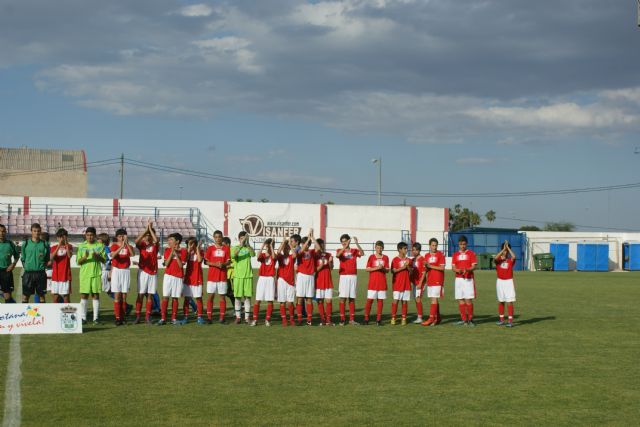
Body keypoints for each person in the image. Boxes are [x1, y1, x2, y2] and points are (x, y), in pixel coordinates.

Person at [77, 227, 105, 324]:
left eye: (91, 235)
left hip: (96, 273)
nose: (89, 237)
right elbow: (78, 262)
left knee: (95, 295)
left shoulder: (100, 245)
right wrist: (85, 257)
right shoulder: (81, 246)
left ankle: (95, 318)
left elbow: (104, 260)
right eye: (88, 235)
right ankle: (83, 318)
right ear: (85, 235)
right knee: (84, 295)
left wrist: (97, 256)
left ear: (95, 235)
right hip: (84, 274)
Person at [158, 233, 187, 326]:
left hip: (178, 277)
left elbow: (180, 265)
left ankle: (173, 318)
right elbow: (166, 263)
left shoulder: (183, 251)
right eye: (168, 240)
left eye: (171, 239)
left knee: (175, 298)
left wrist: (176, 254)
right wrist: (172, 252)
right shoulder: (167, 250)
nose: (169, 241)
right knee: (165, 296)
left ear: (177, 241)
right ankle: (163, 318)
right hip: (168, 276)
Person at [134, 221, 159, 324]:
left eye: (149, 235)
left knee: (149, 295)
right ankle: (138, 316)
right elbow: (136, 241)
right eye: (146, 235)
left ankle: (148, 317)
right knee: (140, 294)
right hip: (143, 271)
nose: (147, 237)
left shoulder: (155, 245)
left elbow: (156, 240)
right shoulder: (142, 245)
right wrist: (146, 230)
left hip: (153, 272)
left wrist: (150, 229)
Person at [336, 234, 364, 326]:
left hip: (353, 276)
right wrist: (344, 247)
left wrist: (357, 243)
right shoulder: (340, 250)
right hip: (343, 277)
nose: (344, 243)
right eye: (342, 241)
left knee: (351, 298)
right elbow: (338, 255)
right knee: (342, 298)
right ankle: (342, 319)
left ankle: (352, 319)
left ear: (349, 241)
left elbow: (362, 253)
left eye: (345, 241)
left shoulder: (354, 251)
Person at [204, 230, 231, 324]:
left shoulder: (226, 248)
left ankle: (222, 318)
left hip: (222, 276)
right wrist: (215, 264)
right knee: (210, 297)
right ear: (214, 238)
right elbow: (206, 261)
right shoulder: (210, 248)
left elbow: (229, 261)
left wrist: (223, 264)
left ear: (222, 237)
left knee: (222, 297)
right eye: (216, 237)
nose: (218, 239)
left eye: (219, 237)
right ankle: (209, 317)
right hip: (212, 277)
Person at [110, 229, 135, 325]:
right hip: (117, 271)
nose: (122, 238)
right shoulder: (114, 246)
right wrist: (121, 247)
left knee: (124, 296)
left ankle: (123, 316)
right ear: (117, 237)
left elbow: (132, 254)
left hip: (126, 271)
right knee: (117, 295)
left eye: (123, 236)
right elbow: (113, 255)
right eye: (120, 236)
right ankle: (117, 317)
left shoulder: (129, 246)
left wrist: (127, 244)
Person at [20, 223, 50, 303]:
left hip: (41, 274)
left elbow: (47, 259)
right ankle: (25, 315)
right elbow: (23, 258)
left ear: (40, 232)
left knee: (42, 297)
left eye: (38, 231)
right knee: (25, 297)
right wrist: (28, 267)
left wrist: (41, 267)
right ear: (31, 232)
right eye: (35, 231)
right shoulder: (25, 244)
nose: (37, 233)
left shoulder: (45, 244)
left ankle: (42, 315)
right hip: (28, 274)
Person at [452, 235, 478, 326]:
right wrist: (457, 270)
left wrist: (467, 270)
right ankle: (464, 320)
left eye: (464, 244)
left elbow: (474, 266)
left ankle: (470, 320)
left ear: (466, 244)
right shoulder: (455, 254)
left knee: (468, 300)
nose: (462, 246)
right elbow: (453, 267)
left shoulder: (471, 253)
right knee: (460, 299)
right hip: (458, 280)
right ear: (458, 244)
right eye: (460, 244)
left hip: (468, 279)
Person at [231, 231, 255, 324]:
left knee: (247, 298)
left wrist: (247, 244)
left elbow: (253, 254)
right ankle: (238, 317)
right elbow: (234, 255)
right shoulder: (235, 248)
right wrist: (241, 244)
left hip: (248, 276)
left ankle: (247, 318)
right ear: (239, 238)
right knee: (237, 298)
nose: (243, 240)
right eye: (241, 238)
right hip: (237, 276)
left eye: (244, 238)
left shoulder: (249, 248)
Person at [421, 238, 446, 326]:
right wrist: (426, 266)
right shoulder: (427, 255)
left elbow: (442, 268)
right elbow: (426, 269)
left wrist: (430, 266)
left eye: (436, 245)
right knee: (433, 299)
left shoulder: (440, 254)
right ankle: (438, 317)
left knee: (434, 299)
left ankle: (431, 318)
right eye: (433, 245)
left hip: (438, 279)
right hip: (430, 280)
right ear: (429, 246)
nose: (434, 247)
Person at [293, 230, 316, 326]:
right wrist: (307, 238)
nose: (303, 245)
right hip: (301, 276)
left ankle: (309, 319)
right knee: (300, 298)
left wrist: (312, 237)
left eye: (305, 243)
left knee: (309, 298)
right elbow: (301, 250)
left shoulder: (312, 252)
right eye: (302, 243)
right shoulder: (299, 251)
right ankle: (299, 319)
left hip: (310, 277)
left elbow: (318, 248)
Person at [251, 239, 276, 326]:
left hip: (270, 279)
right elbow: (257, 256)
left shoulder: (274, 255)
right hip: (262, 279)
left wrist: (272, 247)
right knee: (258, 300)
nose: (268, 246)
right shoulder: (262, 255)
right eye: (267, 245)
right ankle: (255, 320)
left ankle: (267, 320)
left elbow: (273, 257)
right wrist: (263, 245)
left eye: (270, 245)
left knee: (270, 300)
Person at [364, 241, 389, 326]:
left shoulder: (385, 258)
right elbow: (367, 269)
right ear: (375, 248)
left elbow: (387, 270)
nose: (379, 249)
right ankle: (366, 318)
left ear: (383, 248)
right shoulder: (371, 257)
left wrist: (382, 269)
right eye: (378, 247)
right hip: (373, 283)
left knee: (380, 301)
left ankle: (378, 320)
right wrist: (377, 268)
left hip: (382, 283)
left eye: (381, 248)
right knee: (369, 301)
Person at [494, 241, 517, 327]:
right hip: (500, 282)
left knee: (509, 301)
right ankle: (501, 320)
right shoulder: (498, 260)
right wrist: (503, 249)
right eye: (504, 250)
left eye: (506, 250)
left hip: (508, 282)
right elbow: (495, 258)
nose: (505, 252)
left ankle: (510, 321)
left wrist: (508, 248)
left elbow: (514, 256)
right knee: (501, 301)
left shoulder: (510, 260)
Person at [183, 237, 205, 324]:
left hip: (197, 278)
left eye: (191, 243)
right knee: (187, 299)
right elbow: (185, 259)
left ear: (195, 243)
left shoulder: (200, 251)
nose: (190, 245)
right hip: (188, 278)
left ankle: (199, 317)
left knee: (198, 298)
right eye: (188, 243)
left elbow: (199, 260)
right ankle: (185, 317)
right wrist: (189, 249)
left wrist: (197, 249)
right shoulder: (187, 252)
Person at [391, 241, 412, 326]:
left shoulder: (409, 260)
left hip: (406, 283)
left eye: (406, 248)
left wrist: (407, 267)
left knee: (404, 301)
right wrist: (403, 267)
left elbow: (411, 272)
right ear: (399, 250)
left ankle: (404, 318)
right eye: (404, 248)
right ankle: (393, 318)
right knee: (395, 301)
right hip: (397, 283)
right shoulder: (395, 260)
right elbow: (393, 271)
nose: (406, 250)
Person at [276, 238, 296, 326]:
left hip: (290, 281)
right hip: (281, 280)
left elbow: (295, 254)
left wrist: (290, 245)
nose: (285, 250)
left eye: (287, 248)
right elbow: (278, 252)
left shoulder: (292, 257)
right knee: (282, 301)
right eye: (285, 248)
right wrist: (283, 242)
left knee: (290, 302)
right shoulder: (280, 257)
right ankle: (284, 319)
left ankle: (291, 319)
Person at [315, 238, 334, 326]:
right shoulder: (315, 256)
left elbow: (331, 268)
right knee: (320, 301)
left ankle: (328, 320)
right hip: (319, 280)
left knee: (329, 301)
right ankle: (322, 319)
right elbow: (314, 270)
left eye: (322, 244)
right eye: (319, 244)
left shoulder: (329, 255)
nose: (321, 246)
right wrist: (322, 265)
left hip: (328, 280)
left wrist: (330, 262)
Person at [50, 228, 73, 304]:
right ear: (57, 238)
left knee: (66, 297)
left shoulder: (69, 246)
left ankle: (68, 313)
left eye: (63, 237)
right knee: (55, 297)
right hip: (55, 276)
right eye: (60, 237)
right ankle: (55, 313)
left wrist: (66, 244)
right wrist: (59, 245)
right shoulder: (53, 247)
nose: (62, 239)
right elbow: (51, 258)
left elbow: (69, 256)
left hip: (65, 275)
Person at [0, 224, 19, 303]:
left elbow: (17, 256)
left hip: (6, 272)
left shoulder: (10, 244)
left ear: (6, 232)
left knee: (7, 295)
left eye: (3, 231)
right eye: (0, 231)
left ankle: (8, 313)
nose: (1, 233)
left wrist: (13, 264)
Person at [410, 242, 425, 324]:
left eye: (415, 250)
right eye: (413, 250)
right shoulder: (412, 260)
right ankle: (419, 316)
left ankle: (420, 317)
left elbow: (424, 272)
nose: (414, 251)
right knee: (416, 299)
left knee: (418, 299)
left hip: (420, 283)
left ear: (419, 250)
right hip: (414, 282)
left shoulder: (422, 259)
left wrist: (420, 283)